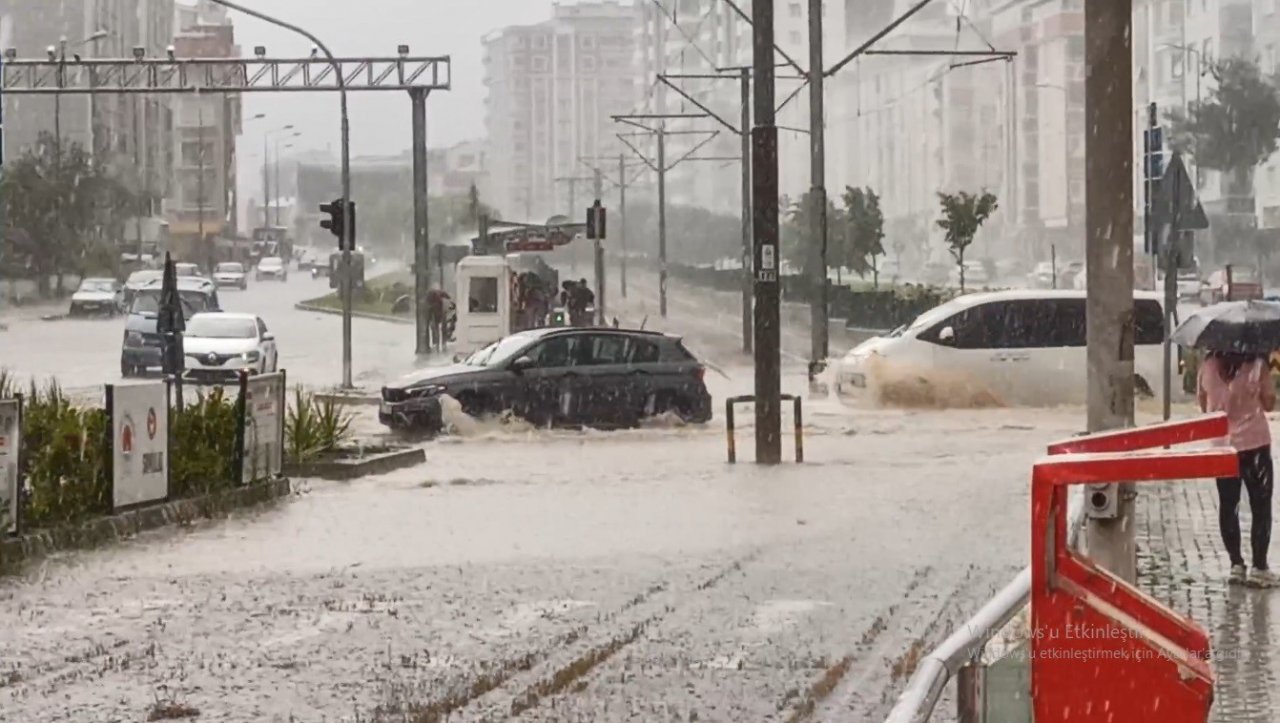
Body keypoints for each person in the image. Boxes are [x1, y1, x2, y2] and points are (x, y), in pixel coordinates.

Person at [1198, 350, 1278, 587]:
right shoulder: (1256, 366)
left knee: (1228, 505)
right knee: (1260, 506)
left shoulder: (1208, 366)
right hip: (1255, 445)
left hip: (1222, 447)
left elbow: (1203, 405)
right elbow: (1270, 403)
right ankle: (1259, 567)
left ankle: (1236, 565)